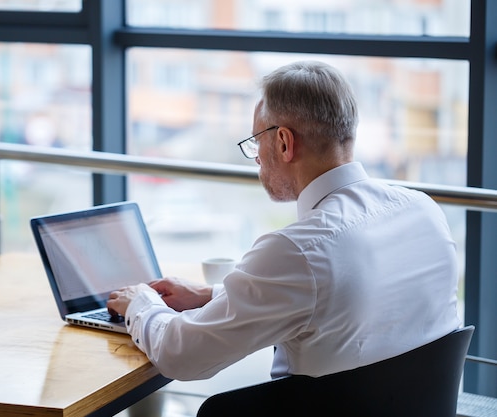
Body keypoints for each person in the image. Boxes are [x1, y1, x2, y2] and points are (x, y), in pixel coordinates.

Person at [107, 60, 461, 381]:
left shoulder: (297, 252)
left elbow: (180, 355)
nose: (256, 156)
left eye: (256, 140)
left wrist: (141, 303)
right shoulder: (424, 210)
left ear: (283, 142)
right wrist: (210, 295)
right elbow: (335, 300)